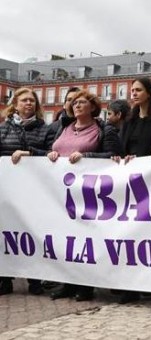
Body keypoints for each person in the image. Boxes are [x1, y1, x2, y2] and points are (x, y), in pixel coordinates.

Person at [48, 90, 121, 302]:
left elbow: (113, 155)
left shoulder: (103, 129)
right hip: (62, 191)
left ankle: (85, 285)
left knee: (86, 240)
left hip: (89, 193)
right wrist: (50, 154)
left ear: (93, 107)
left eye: (82, 102)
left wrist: (87, 156)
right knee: (65, 238)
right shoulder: (64, 127)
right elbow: (51, 150)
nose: (77, 105)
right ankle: (67, 283)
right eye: (75, 103)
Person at [111, 78, 151, 304]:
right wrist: (120, 157)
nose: (133, 94)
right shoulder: (129, 120)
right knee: (131, 235)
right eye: (131, 91)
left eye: (138, 90)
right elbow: (121, 147)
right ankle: (130, 287)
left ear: (149, 93)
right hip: (130, 182)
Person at [0, 88, 52, 296]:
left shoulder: (45, 129)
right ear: (15, 104)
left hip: (34, 191)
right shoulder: (3, 128)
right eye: (24, 100)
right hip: (7, 191)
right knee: (5, 233)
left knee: (33, 233)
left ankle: (35, 278)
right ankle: (4, 278)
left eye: (32, 100)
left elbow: (51, 153)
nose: (28, 103)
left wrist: (30, 154)